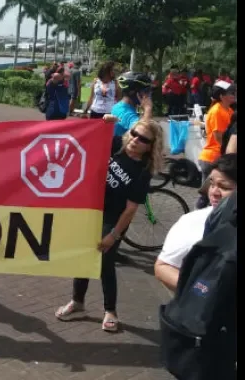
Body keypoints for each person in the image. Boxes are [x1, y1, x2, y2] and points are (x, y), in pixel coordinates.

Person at [55, 119, 164, 331]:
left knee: (105, 262)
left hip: (113, 220)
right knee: (83, 257)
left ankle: (110, 310)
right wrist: (105, 123)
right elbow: (91, 137)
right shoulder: (116, 146)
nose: (135, 140)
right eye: (134, 133)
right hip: (91, 212)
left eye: (143, 139)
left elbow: (131, 209)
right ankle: (78, 302)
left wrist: (113, 235)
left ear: (151, 146)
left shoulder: (143, 172)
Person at [154, 154, 237, 292]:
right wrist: (203, 293)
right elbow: (163, 267)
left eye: (224, 187)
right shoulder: (192, 221)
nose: (214, 192)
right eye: (211, 184)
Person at [196, 80, 236, 208]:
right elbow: (218, 136)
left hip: (220, 157)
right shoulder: (217, 111)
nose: (234, 95)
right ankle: (197, 219)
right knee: (206, 196)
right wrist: (228, 156)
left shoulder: (229, 110)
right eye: (231, 93)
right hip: (212, 158)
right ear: (221, 96)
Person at [108, 72, 154, 156]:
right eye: (146, 92)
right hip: (122, 157)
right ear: (133, 92)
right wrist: (148, 108)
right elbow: (144, 131)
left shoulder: (120, 106)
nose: (148, 95)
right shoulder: (125, 112)